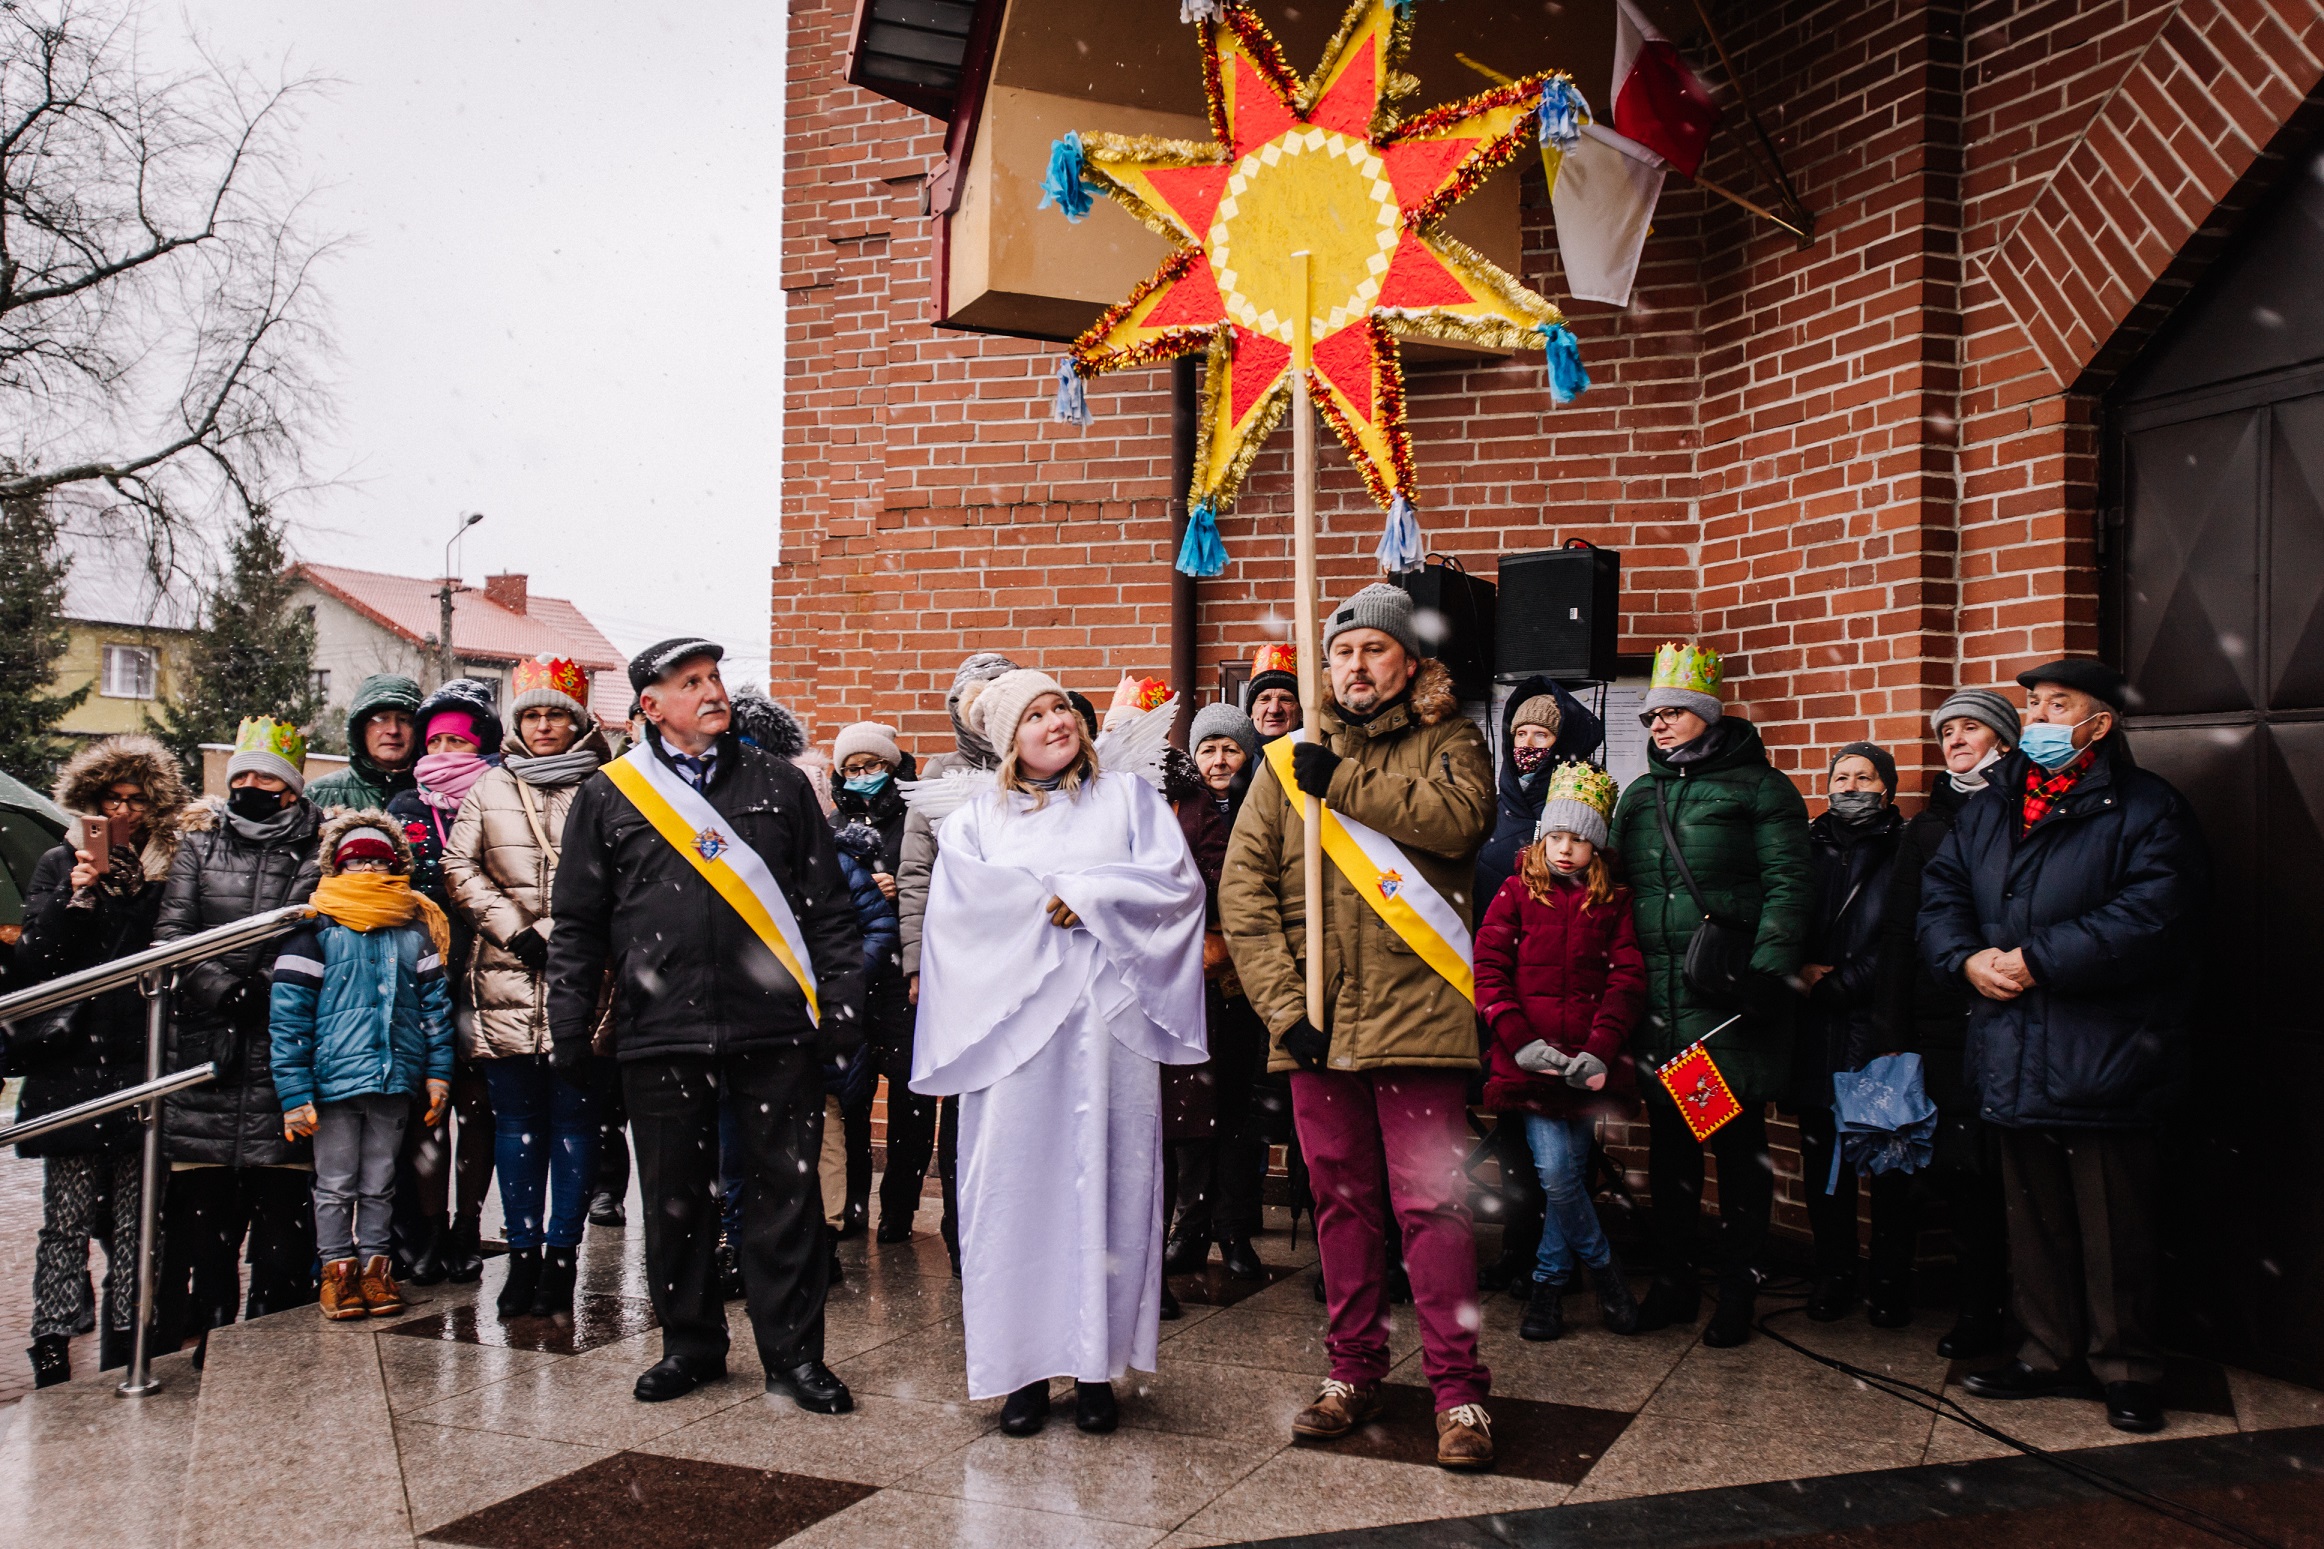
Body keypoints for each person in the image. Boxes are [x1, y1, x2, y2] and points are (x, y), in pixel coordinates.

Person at [1220, 583, 1499, 1471]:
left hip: (1419, 1019)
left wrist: (1341, 784)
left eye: (1373, 650)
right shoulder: (1283, 760)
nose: (1355, 666)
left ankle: (1459, 1394)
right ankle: (1352, 1370)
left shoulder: (1449, 739)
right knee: (1341, 1205)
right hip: (1318, 1026)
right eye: (1341, 653)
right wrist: (1283, 1008)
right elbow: (1245, 896)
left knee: (1433, 1208)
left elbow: (1462, 823)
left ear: (1408, 663)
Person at [547, 637, 866, 1411]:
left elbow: (826, 908)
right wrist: (567, 1024)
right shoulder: (609, 795)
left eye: (715, 677)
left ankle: (794, 1355)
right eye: (689, 682)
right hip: (660, 1027)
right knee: (673, 1198)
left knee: (783, 1199)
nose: (711, 691)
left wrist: (843, 1003)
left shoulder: (779, 784)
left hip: (773, 1025)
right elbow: (579, 924)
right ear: (650, 707)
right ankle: (689, 1344)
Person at [913, 669, 1208, 1437]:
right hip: (1015, 1031)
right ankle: (1022, 1370)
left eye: (1061, 709)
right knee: (1014, 1191)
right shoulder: (979, 817)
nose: (1056, 722)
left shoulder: (1129, 800)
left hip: (1108, 1025)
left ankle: (1096, 1367)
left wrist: (1095, 895)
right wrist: (1049, 899)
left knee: (1109, 1183)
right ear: (1008, 738)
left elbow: (1175, 886)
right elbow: (959, 912)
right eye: (1035, 715)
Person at [1919, 659, 2206, 1434]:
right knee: (2032, 1219)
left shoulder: (2146, 808)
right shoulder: (1991, 805)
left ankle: (2128, 1367)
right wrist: (1965, 958)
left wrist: (2040, 958)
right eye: (2034, 703)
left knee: (2115, 1224)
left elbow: (2153, 915)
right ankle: (2045, 1349)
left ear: (2099, 723)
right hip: (2011, 1046)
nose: (2041, 716)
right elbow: (1942, 894)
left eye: (2059, 703)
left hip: (2103, 1053)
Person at [1606, 642, 1812, 1349]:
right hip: (1659, 1003)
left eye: (1671, 713)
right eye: (1653, 715)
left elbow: (1789, 885)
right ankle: (1673, 1278)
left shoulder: (1760, 789)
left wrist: (1768, 968)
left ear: (1706, 716)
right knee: (1671, 1150)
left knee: (1731, 1144)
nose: (1657, 725)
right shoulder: (1640, 796)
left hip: (1721, 999)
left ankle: (1735, 1289)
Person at [16, 736, 196, 1386]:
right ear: (92, 804)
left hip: (138, 1058)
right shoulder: (57, 863)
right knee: (63, 1219)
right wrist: (76, 895)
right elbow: (38, 963)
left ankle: (128, 1333)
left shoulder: (166, 870)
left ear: (152, 809)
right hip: (69, 1064)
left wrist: (128, 897)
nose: (122, 813)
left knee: (134, 1215)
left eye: (135, 801)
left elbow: (162, 955)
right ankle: (53, 1338)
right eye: (111, 800)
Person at [440, 657, 613, 1319]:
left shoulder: (608, 788)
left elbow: (621, 871)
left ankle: (563, 1256)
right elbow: (461, 866)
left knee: (573, 1123)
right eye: (532, 714)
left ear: (578, 719)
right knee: (516, 1124)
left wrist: (566, 932)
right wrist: (516, 929)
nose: (543, 726)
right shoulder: (489, 788)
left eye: (556, 713)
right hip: (504, 975)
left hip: (583, 979)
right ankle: (523, 1254)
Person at [151, 717, 325, 1353]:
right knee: (205, 1223)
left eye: (267, 778)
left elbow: (318, 927)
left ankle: (269, 1342)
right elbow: (170, 939)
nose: (252, 786)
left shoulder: (321, 846)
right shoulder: (199, 843)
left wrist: (275, 986)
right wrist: (223, 988)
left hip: (288, 1052)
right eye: (242, 776)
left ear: (292, 787)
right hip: (209, 1049)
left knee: (282, 1222)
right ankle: (208, 1336)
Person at [1475, 761, 1644, 1343]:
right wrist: (1521, 1044)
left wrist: (1600, 1050)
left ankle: (1548, 1288)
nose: (1566, 850)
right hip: (1534, 1065)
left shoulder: (1613, 901)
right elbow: (1490, 971)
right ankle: (1606, 1275)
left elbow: (1627, 979)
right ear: (1542, 838)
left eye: (1579, 839)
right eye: (1557, 837)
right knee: (1557, 1173)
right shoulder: (1517, 893)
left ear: (1597, 847)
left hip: (1585, 1067)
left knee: (1565, 1174)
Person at [1878, 687, 2019, 1359]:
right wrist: (1895, 1034)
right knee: (1962, 1177)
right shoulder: (1927, 828)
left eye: (1971, 728)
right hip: (1943, 1025)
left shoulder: (2027, 810)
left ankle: (2027, 1304)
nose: (1957, 739)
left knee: (2015, 1174)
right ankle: (1978, 1307)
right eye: (1948, 732)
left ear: (2003, 740)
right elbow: (1902, 932)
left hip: (2014, 1015)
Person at [271, 814, 455, 1321]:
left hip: (393, 1078)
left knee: (379, 1181)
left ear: (396, 866)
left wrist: (438, 1074)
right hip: (332, 1086)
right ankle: (336, 1269)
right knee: (334, 1183)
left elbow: (436, 1012)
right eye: (355, 862)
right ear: (336, 867)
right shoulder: (313, 930)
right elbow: (289, 1021)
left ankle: (377, 1267)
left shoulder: (413, 933)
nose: (368, 869)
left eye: (378, 860)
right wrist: (294, 1093)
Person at [896, 651, 1021, 1272]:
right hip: (961, 961)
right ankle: (960, 1220)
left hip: (1028, 955)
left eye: (997, 692)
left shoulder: (1043, 768)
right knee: (966, 1090)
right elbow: (916, 872)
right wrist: (916, 963)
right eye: (972, 695)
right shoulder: (938, 776)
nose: (984, 705)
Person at [1789, 741, 1913, 1326]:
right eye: (1842, 777)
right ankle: (1833, 1272)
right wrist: (1801, 974)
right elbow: (1786, 918)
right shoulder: (1805, 846)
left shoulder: (1905, 847)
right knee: (1823, 1163)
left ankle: (1889, 1281)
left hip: (1873, 1025)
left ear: (1886, 789)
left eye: (1866, 778)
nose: (1852, 787)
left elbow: (1903, 938)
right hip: (1814, 1029)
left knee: (1887, 1160)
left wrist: (1842, 983)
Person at [386, 678, 501, 1286]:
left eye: (460, 739)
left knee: (479, 1111)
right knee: (429, 1110)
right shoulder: (406, 807)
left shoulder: (502, 795)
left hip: (489, 972)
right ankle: (428, 1232)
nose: (447, 750)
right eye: (438, 740)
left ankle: (468, 1228)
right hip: (425, 978)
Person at [1165, 702, 1270, 1284]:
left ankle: (1233, 1231)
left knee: (1236, 1108)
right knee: (1190, 1111)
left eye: (1230, 748)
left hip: (1247, 978)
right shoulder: (1179, 809)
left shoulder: (1262, 802)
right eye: (1208, 749)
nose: (1220, 759)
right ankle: (1190, 1228)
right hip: (1191, 978)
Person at [831, 721, 926, 1244]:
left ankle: (899, 1209)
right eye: (853, 768)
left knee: (911, 1098)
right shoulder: (828, 824)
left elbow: (927, 883)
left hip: (902, 978)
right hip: (851, 978)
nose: (863, 776)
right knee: (851, 1099)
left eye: (874, 766)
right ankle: (851, 1203)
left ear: (893, 767)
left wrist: (894, 884)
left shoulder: (914, 817)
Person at [822, 815, 897, 1280]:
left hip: (828, 1010)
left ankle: (827, 1232)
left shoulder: (838, 862)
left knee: (829, 1118)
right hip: (765, 1011)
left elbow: (878, 928)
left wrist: (839, 981)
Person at [305, 673, 423, 812]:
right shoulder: (318, 796)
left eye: (404, 720)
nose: (393, 730)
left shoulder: (439, 796)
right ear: (361, 729)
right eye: (381, 719)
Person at [1241, 641, 1302, 742]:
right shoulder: (1234, 754)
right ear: (1251, 711)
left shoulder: (1321, 751)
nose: (1274, 710)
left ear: (1300, 711)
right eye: (1264, 699)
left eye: (1285, 699)